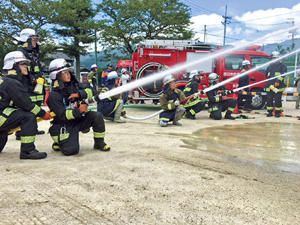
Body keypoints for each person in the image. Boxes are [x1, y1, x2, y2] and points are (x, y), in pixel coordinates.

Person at [46, 58, 110, 156]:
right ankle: (59, 141)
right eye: (65, 72)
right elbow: (62, 115)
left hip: (78, 119)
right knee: (70, 151)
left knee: (97, 116)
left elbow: (91, 91)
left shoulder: (75, 86)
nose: (68, 74)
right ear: (56, 75)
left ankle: (99, 143)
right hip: (64, 124)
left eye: (69, 72)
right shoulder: (54, 96)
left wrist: (79, 94)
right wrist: (79, 111)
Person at [0, 51, 52, 159]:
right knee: (28, 116)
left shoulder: (5, 80)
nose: (26, 66)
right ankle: (28, 151)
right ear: (13, 65)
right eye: (22, 64)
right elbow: (27, 105)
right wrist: (43, 114)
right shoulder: (12, 82)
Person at [17, 28, 45, 135]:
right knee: (26, 106)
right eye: (33, 39)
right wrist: (32, 79)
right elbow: (22, 71)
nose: (36, 42)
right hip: (26, 85)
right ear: (26, 39)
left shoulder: (32, 53)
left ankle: (33, 128)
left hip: (34, 86)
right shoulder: (20, 53)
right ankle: (20, 132)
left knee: (35, 106)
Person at [265, 51, 287, 117]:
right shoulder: (269, 66)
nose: (273, 59)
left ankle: (278, 112)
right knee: (269, 99)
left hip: (278, 86)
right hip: (270, 85)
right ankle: (269, 112)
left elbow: (283, 75)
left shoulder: (282, 66)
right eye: (273, 58)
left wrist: (278, 82)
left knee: (277, 99)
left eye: (275, 58)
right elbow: (267, 75)